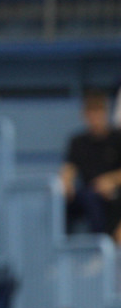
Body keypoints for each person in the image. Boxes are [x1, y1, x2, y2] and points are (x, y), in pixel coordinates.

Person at [60, 91, 121, 239]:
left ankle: (101, 245)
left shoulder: (117, 138)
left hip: (114, 192)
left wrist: (110, 180)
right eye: (91, 114)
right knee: (63, 200)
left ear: (105, 113)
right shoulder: (78, 141)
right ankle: (63, 247)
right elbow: (69, 167)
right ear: (85, 115)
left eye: (98, 113)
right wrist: (65, 182)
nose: (95, 119)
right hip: (87, 192)